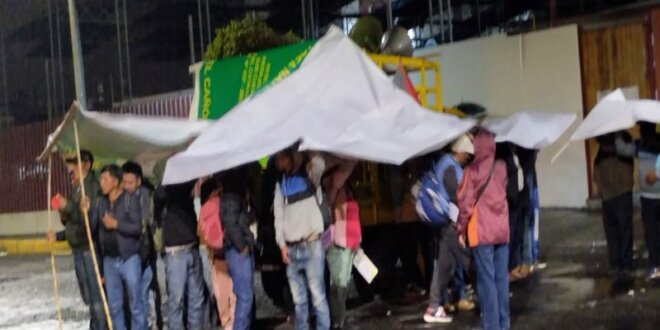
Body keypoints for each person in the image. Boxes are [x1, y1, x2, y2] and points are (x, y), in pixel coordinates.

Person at [46, 150, 106, 330]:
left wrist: (69, 206)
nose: (72, 167)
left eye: (76, 163)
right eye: (71, 163)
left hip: (89, 248)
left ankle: (100, 327)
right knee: (87, 296)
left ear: (87, 164)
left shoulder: (92, 187)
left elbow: (89, 221)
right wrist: (60, 223)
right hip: (78, 248)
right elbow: (72, 219)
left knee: (96, 297)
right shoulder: (77, 187)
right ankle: (95, 325)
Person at [457, 129, 510, 330]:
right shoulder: (502, 166)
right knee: (501, 279)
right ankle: (504, 324)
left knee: (486, 281)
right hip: (502, 231)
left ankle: (491, 325)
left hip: (482, 232)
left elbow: (465, 204)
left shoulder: (472, 171)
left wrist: (460, 229)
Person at [274, 148, 331, 330]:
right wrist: (282, 245)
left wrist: (307, 146)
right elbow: (279, 217)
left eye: (282, 159)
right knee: (299, 302)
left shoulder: (309, 177)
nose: (280, 164)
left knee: (318, 298)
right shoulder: (281, 184)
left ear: (291, 158)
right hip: (291, 249)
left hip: (311, 245)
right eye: (277, 160)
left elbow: (320, 164)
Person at [423, 135, 473, 324]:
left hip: (447, 223)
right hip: (452, 223)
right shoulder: (450, 166)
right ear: (458, 151)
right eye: (466, 154)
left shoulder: (445, 163)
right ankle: (489, 299)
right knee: (469, 260)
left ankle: (434, 307)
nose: (468, 158)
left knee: (444, 266)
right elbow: (457, 195)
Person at [92, 165, 145, 330]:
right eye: (101, 179)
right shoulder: (101, 203)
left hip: (129, 259)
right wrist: (87, 210)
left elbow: (137, 228)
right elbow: (92, 228)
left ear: (115, 182)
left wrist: (116, 224)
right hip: (109, 262)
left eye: (105, 179)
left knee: (136, 305)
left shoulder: (130, 199)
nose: (101, 182)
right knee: (114, 308)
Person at [154, 179, 205, 330]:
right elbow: (160, 197)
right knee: (177, 301)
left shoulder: (184, 187)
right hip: (174, 252)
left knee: (196, 299)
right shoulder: (164, 193)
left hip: (191, 248)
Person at [121, 161, 163, 329]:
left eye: (130, 182)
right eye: (124, 182)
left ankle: (152, 323)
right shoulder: (125, 196)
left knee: (143, 294)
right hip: (136, 253)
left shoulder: (144, 196)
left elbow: (144, 223)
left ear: (138, 181)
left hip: (144, 253)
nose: (126, 186)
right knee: (140, 295)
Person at [216, 165, 256, 330]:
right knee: (245, 296)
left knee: (245, 295)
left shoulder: (233, 196)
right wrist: (242, 246)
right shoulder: (232, 197)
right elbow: (231, 224)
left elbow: (239, 220)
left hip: (239, 249)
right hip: (238, 250)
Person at [592, 132, 635, 278]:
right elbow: (630, 167)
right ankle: (625, 264)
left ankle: (616, 263)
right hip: (622, 192)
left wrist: (602, 189)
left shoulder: (602, 152)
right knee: (624, 230)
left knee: (613, 232)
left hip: (609, 195)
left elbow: (596, 172)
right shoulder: (623, 140)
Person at [323, 159, 359, 329]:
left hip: (348, 242)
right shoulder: (333, 191)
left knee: (341, 284)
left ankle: (339, 319)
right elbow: (338, 217)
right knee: (339, 285)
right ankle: (338, 320)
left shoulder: (343, 190)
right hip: (340, 243)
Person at [200, 178, 236, 330]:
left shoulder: (205, 207)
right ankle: (235, 324)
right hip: (233, 253)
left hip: (217, 256)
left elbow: (200, 232)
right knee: (234, 294)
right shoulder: (230, 202)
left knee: (221, 295)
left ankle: (227, 323)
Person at [637, 122, 660, 280]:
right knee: (652, 233)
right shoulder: (640, 144)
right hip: (647, 196)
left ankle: (655, 264)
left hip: (653, 195)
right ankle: (654, 264)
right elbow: (623, 149)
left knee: (652, 233)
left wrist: (657, 175)